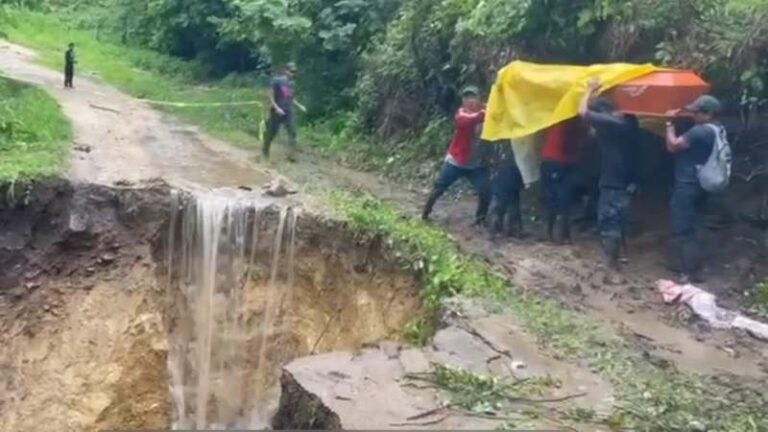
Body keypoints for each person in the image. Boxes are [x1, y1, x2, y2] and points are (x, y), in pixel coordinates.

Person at [579, 79, 640, 267]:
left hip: (613, 181)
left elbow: (582, 112)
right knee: (619, 220)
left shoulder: (614, 123)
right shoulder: (629, 123)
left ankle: (611, 262)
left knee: (608, 220)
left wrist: (589, 90)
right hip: (628, 180)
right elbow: (595, 134)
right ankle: (621, 255)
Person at [665, 95, 723, 282]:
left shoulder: (700, 131)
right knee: (696, 224)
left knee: (683, 227)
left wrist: (668, 124)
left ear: (708, 114)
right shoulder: (718, 129)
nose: (693, 115)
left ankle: (688, 272)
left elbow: (673, 145)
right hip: (702, 184)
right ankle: (693, 267)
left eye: (696, 112)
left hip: (687, 184)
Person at [422, 86, 492, 225]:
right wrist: (488, 112)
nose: (470, 101)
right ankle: (425, 214)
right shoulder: (461, 114)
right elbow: (468, 119)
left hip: (476, 163)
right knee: (439, 188)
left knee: (485, 191)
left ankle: (480, 220)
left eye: (473, 97)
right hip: (456, 161)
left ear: (479, 99)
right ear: (462, 101)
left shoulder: (487, 111)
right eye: (466, 98)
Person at [540, 117, 586, 242]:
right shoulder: (575, 121)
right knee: (563, 198)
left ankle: (548, 231)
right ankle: (561, 234)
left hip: (548, 160)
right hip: (564, 162)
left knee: (550, 196)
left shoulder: (555, 116)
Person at [263, 62, 304, 161]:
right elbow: (270, 95)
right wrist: (276, 108)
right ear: (285, 71)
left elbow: (290, 97)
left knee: (292, 132)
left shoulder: (291, 84)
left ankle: (291, 155)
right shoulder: (277, 81)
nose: (292, 73)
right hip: (277, 111)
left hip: (288, 111)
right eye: (291, 71)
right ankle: (265, 152)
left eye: (294, 72)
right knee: (271, 133)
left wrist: (299, 105)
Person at [489, 142, 525, 239]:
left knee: (498, 208)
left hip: (500, 185)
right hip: (512, 187)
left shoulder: (498, 167)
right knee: (513, 208)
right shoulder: (515, 165)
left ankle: (494, 231)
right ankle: (514, 230)